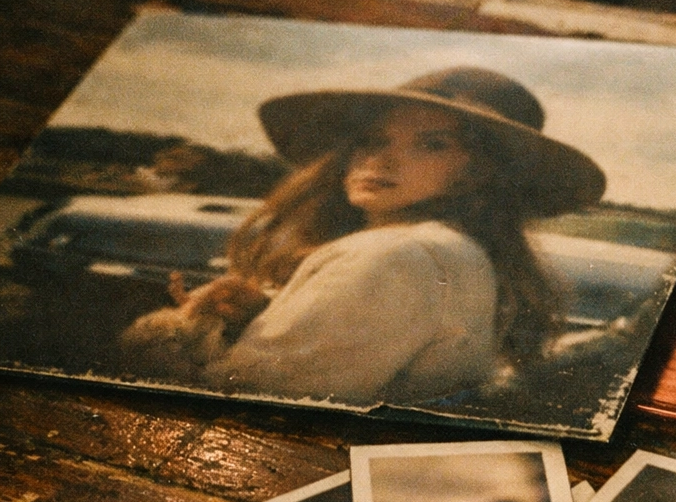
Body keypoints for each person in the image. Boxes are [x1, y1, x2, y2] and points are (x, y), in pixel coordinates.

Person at [120, 66, 605, 406]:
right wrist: (255, 315)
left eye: (432, 144)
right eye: (373, 141)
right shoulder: (454, 251)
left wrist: (175, 335)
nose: (380, 161)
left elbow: (242, 397)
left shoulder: (397, 254)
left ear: (480, 173)